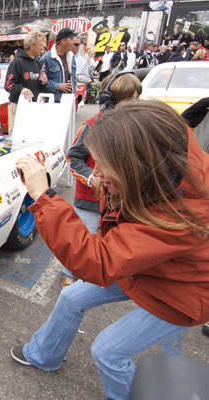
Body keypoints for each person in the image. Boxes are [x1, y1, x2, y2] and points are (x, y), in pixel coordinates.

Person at [12, 99, 209, 400]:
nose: (98, 173)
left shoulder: (186, 211)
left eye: (106, 165)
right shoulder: (157, 163)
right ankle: (43, 355)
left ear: (138, 166)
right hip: (147, 266)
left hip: (183, 291)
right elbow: (117, 241)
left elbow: (99, 261)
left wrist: (43, 197)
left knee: (108, 352)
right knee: (70, 296)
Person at [64, 72, 142, 287]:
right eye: (130, 100)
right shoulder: (91, 125)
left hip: (118, 204)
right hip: (89, 202)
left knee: (107, 244)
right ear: (109, 101)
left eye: (137, 98)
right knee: (80, 246)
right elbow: (73, 157)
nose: (135, 104)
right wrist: (91, 179)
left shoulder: (133, 126)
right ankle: (68, 274)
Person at [4, 31, 47, 136]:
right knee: (15, 136)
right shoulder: (17, 62)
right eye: (40, 45)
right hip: (17, 105)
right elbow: (8, 84)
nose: (42, 48)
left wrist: (43, 83)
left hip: (33, 106)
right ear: (32, 46)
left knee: (30, 136)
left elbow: (37, 87)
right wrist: (21, 89)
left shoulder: (37, 63)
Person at [39, 27, 77, 103]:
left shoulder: (71, 57)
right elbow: (40, 82)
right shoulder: (46, 59)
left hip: (69, 101)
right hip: (53, 103)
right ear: (63, 41)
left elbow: (74, 79)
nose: (73, 42)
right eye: (71, 39)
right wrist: (58, 86)